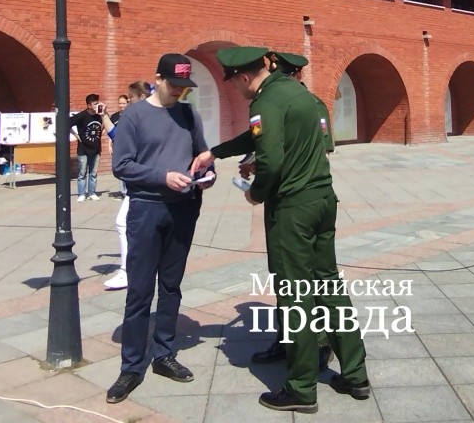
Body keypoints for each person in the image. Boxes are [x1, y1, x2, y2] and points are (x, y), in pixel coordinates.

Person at [192, 46, 370, 414]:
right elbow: (258, 137)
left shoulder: (266, 100)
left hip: (293, 209)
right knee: (328, 286)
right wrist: (217, 152)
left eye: (234, 84)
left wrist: (256, 193)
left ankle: (301, 388)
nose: (237, 90)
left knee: (296, 295)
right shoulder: (297, 94)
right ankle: (356, 374)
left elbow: (269, 159)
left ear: (244, 76)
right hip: (322, 199)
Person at [105, 54, 215, 405]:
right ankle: (131, 366)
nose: (180, 91)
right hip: (146, 209)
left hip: (183, 209)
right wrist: (161, 177)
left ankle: (164, 353)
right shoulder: (134, 116)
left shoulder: (189, 114)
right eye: (174, 84)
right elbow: (121, 166)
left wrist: (206, 174)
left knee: (171, 286)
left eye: (185, 86)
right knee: (139, 291)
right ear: (157, 79)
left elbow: (200, 155)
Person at [102, 81, 151, 291]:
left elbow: (119, 137)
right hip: (142, 182)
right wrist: (104, 116)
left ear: (141, 97)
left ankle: (128, 271)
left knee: (124, 222)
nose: (127, 104)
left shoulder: (141, 119)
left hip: (143, 182)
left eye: (130, 100)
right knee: (133, 225)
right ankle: (137, 268)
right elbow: (117, 136)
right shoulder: (144, 117)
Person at [70, 94, 104, 201]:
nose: (97, 106)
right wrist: (76, 135)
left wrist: (104, 115)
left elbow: (104, 126)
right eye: (94, 104)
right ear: (89, 105)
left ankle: (91, 193)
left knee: (93, 173)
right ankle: (81, 194)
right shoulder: (82, 116)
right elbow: (67, 123)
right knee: (82, 172)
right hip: (83, 149)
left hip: (96, 149)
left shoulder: (100, 115)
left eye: (97, 103)